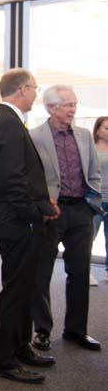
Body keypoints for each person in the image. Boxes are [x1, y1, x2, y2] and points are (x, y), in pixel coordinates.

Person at [0, 69, 59, 384]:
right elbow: (13, 180)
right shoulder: (6, 123)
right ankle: (2, 360)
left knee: (25, 286)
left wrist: (40, 206)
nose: (36, 94)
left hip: (17, 218)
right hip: (16, 221)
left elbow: (20, 176)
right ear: (23, 89)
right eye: (35, 89)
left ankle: (20, 346)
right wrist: (34, 214)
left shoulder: (6, 122)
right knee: (15, 290)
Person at [29, 85, 102, 352]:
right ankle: (42, 331)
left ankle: (76, 330)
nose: (73, 109)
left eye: (74, 104)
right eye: (67, 104)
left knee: (80, 272)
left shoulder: (83, 136)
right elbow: (31, 176)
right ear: (50, 107)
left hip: (81, 212)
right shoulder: (35, 137)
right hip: (51, 214)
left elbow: (94, 172)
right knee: (41, 273)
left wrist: (91, 202)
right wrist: (44, 204)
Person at [93, 116, 108, 282]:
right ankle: (85, 270)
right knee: (90, 236)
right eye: (106, 128)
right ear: (97, 130)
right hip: (96, 199)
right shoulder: (90, 148)